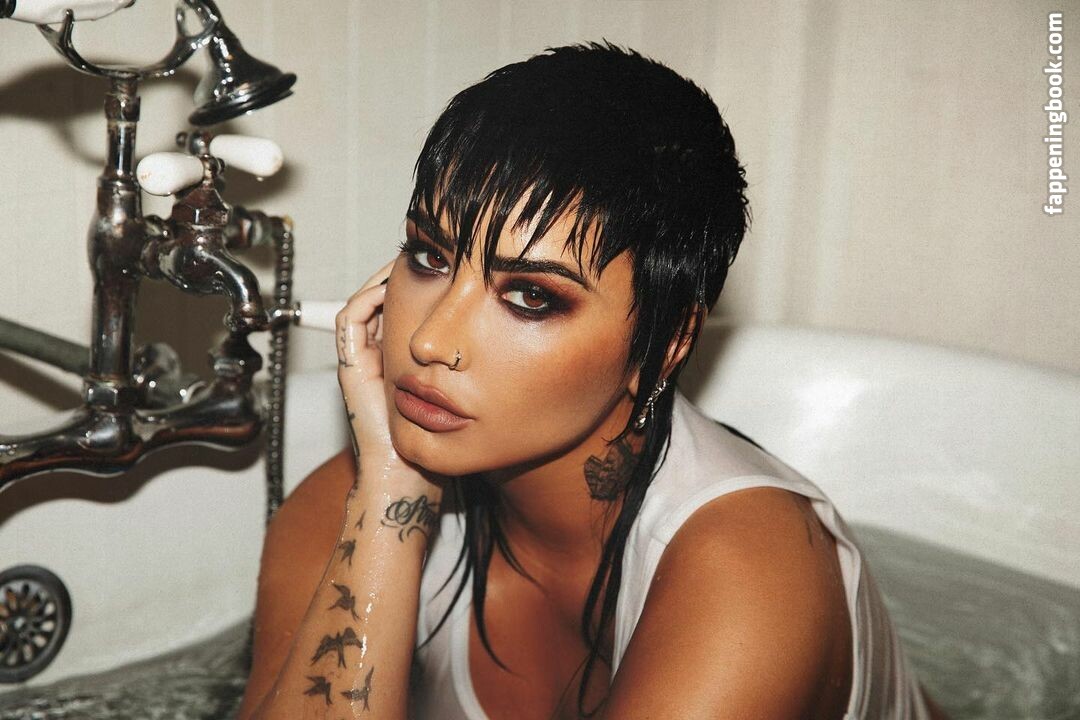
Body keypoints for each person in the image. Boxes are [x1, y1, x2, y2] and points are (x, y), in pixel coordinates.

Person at [237, 42, 947, 719]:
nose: (428, 340)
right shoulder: (348, 501)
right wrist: (392, 490)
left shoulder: (752, 573)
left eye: (531, 296)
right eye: (429, 257)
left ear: (664, 345)